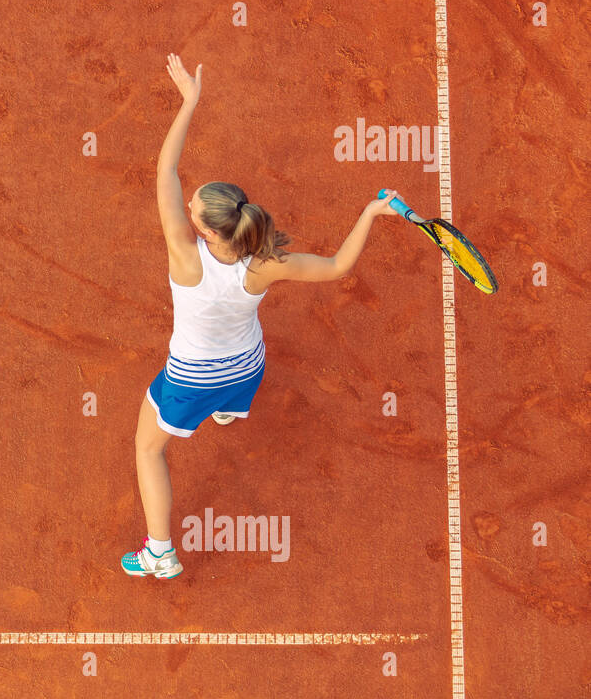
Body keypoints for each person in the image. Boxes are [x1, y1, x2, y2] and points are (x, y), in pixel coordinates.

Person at [122, 54, 403, 578]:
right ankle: (227, 409)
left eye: (195, 211)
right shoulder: (267, 264)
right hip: (246, 369)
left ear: (205, 232)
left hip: (192, 377)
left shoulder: (184, 255)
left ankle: (159, 551)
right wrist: (370, 212)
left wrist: (190, 102)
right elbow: (340, 266)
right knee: (227, 393)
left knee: (147, 449)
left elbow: (165, 170)